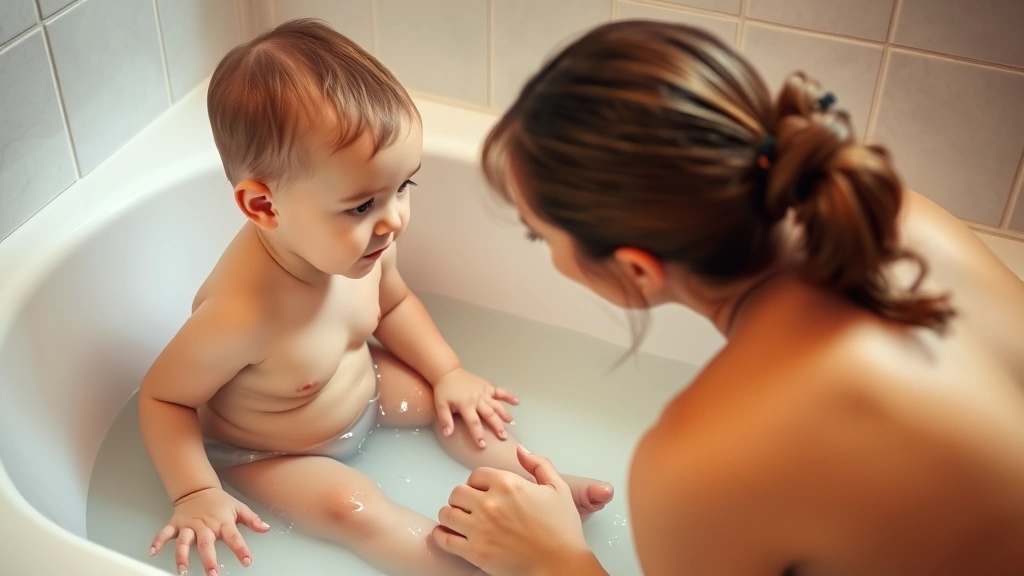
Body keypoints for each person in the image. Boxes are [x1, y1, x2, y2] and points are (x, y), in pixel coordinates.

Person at [432, 19, 1024, 576]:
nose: (546, 254)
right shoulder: (899, 219)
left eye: (541, 235)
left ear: (637, 268)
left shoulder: (701, 459)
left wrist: (553, 560)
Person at [136, 18, 613, 576]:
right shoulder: (243, 314)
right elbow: (164, 400)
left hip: (365, 391)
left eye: (403, 187)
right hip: (271, 451)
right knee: (352, 507)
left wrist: (450, 372)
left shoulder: (363, 248)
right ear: (264, 207)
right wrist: (194, 491)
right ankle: (452, 565)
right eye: (362, 206)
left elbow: (394, 306)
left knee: (455, 410)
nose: (393, 220)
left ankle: (534, 493)